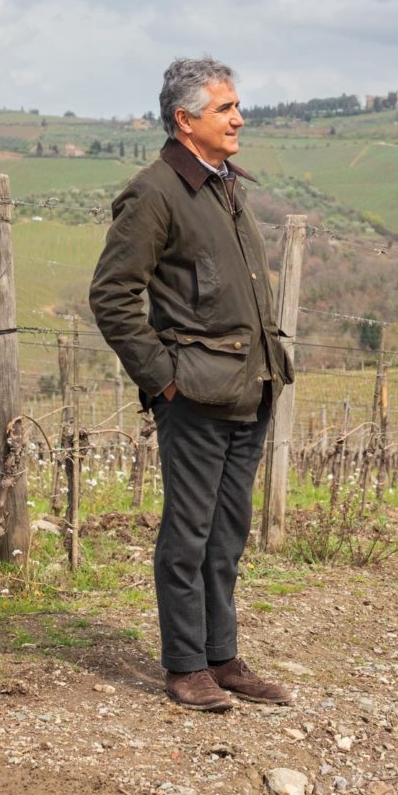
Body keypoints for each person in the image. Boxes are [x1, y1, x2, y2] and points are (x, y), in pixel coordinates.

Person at [89, 56, 294, 712]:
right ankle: (184, 666)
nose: (239, 118)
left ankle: (222, 656)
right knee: (189, 533)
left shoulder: (225, 185)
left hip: (250, 387)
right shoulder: (155, 194)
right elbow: (113, 296)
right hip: (195, 395)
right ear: (185, 119)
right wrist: (163, 381)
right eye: (225, 108)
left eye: (236, 105)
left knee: (228, 532)